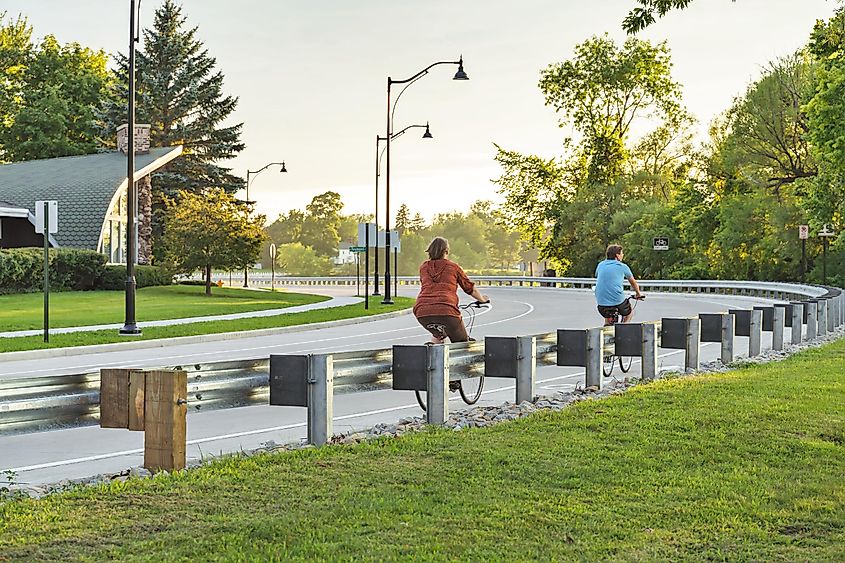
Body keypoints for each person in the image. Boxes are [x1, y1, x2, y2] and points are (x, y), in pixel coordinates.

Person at [413, 236, 489, 344]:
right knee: (462, 343)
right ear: (446, 251)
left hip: (422, 311)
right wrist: (482, 300)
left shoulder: (423, 267)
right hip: (447, 309)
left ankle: (431, 351)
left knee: (439, 335)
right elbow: (469, 288)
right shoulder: (453, 267)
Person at [595, 244, 642, 325]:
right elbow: (633, 282)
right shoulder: (622, 266)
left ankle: (607, 327)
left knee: (607, 316)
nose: (623, 255)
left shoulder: (600, 265)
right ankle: (624, 327)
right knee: (629, 312)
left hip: (601, 304)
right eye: (622, 253)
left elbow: (599, 276)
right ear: (617, 255)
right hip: (618, 302)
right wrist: (638, 294)